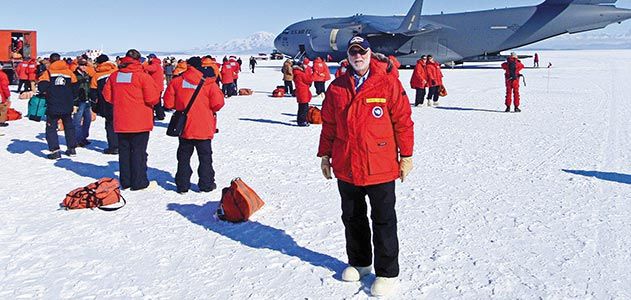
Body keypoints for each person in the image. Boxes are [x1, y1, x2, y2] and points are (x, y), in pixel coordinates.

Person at [317, 36, 414, 297]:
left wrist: (406, 155)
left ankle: (387, 273)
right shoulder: (336, 87)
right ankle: (360, 263)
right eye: (353, 52)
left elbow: (403, 121)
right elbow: (329, 124)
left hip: (379, 165)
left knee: (383, 219)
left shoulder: (387, 83)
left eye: (362, 51)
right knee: (352, 217)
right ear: (347, 56)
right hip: (347, 163)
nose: (357, 56)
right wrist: (325, 155)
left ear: (370, 53)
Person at [163, 57, 225, 193]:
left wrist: (181, 104)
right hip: (204, 127)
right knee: (205, 157)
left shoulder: (176, 81)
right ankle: (206, 184)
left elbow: (168, 103)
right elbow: (218, 103)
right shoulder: (209, 83)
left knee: (183, 157)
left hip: (184, 127)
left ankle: (182, 185)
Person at [102, 49, 161, 190]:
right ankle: (138, 181)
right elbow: (152, 98)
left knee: (124, 151)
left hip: (121, 120)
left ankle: (126, 180)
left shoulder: (115, 76)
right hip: (140, 121)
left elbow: (107, 96)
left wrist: (122, 102)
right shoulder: (143, 77)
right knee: (138, 151)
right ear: (139, 60)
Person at [38, 53, 79, 160]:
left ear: (51, 61)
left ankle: (55, 150)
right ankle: (72, 148)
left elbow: (41, 87)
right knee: (69, 126)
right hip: (67, 105)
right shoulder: (69, 73)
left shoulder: (48, 73)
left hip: (53, 105)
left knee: (51, 128)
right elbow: (76, 88)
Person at [89, 54, 119, 154]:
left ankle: (113, 146)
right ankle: (122, 145)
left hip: (105, 103)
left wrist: (94, 106)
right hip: (119, 102)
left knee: (109, 125)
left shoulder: (96, 75)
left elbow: (93, 92)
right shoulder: (116, 71)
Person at [72, 59, 93, 147]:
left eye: (85, 65)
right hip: (79, 100)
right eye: (82, 65)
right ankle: (77, 139)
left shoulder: (87, 75)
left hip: (87, 99)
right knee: (77, 120)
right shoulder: (74, 75)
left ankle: (83, 137)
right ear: (78, 65)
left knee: (88, 119)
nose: (84, 66)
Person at [144, 53, 166, 120]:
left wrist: (142, 66)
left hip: (156, 87)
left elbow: (150, 68)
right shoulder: (158, 64)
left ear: (151, 58)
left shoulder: (155, 64)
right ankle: (161, 114)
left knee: (156, 102)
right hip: (158, 86)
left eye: (149, 58)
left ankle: (160, 116)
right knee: (157, 102)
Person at [292, 60, 313, 127]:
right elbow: (308, 80)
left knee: (302, 107)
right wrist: (307, 71)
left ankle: (301, 120)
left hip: (301, 91)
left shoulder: (297, 73)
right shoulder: (300, 74)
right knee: (304, 107)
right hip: (303, 91)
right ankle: (302, 121)